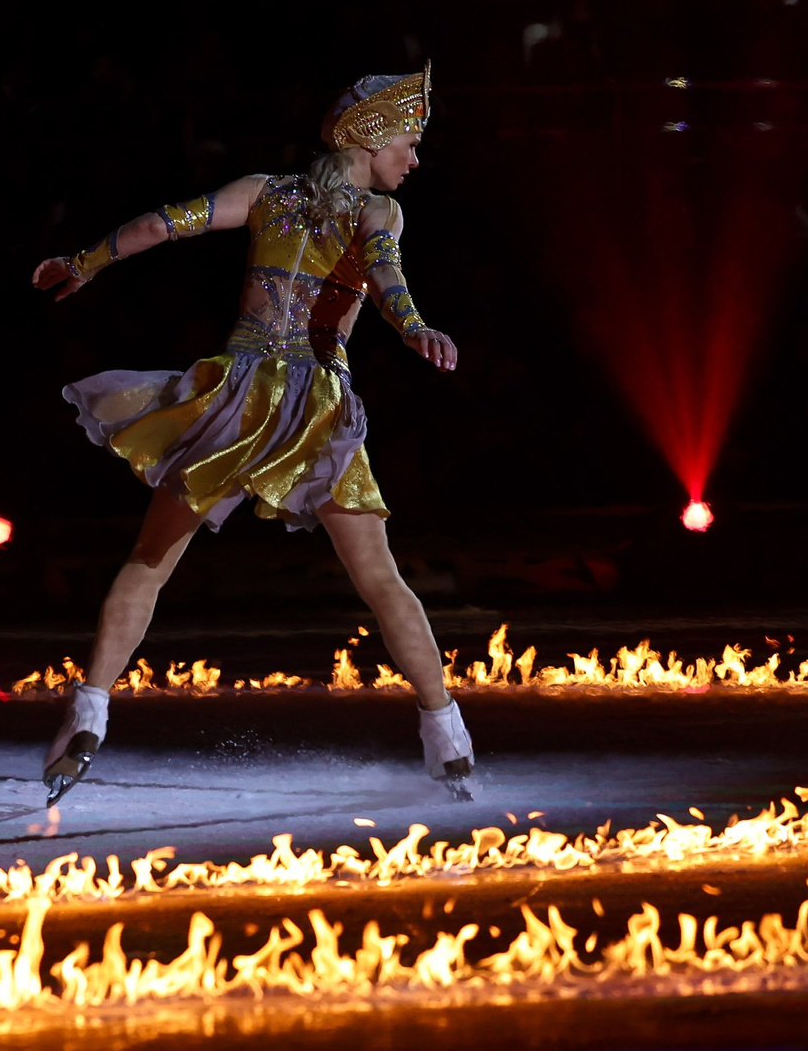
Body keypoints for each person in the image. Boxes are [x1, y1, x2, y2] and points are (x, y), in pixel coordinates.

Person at [29, 64, 476, 806]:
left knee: (149, 560)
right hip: (314, 406)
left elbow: (159, 224)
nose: (415, 157)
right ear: (370, 137)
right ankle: (447, 737)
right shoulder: (377, 214)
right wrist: (416, 327)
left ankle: (89, 712)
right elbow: (388, 280)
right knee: (381, 580)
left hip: (234, 397)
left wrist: (84, 262)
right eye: (409, 139)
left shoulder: (264, 191)